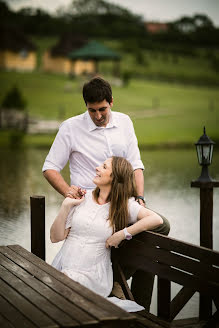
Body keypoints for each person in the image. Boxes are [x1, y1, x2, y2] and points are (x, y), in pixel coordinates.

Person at [43, 76, 170, 310]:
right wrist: (69, 193)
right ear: (86, 106)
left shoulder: (125, 122)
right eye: (92, 111)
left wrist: (139, 198)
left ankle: (129, 292)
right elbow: (50, 167)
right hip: (89, 203)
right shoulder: (71, 128)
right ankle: (117, 281)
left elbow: (136, 165)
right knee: (140, 238)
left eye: (102, 109)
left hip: (122, 201)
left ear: (112, 101)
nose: (98, 116)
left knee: (159, 229)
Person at [50, 156, 163, 312]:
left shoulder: (124, 206)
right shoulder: (83, 197)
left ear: (115, 177)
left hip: (93, 274)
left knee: (58, 297)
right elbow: (55, 237)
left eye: (104, 167)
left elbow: (156, 219)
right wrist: (65, 206)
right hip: (63, 266)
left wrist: (123, 234)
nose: (97, 168)